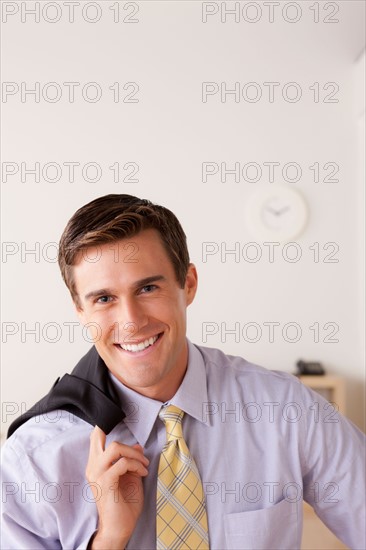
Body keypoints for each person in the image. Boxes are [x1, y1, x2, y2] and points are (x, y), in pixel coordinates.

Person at [1, 194, 365, 550]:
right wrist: (108, 539)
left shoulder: (286, 409)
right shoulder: (31, 462)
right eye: (104, 299)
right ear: (80, 309)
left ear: (188, 284)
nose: (131, 321)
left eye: (147, 288)